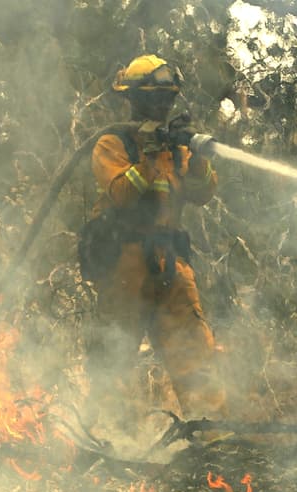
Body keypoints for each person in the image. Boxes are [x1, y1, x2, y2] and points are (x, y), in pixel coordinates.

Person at [79, 53, 227, 430]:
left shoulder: (178, 148)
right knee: (112, 355)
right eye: (154, 97)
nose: (162, 106)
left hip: (170, 262)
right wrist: (146, 157)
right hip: (125, 264)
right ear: (133, 98)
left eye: (168, 98)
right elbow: (122, 194)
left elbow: (203, 192)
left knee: (193, 349)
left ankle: (208, 434)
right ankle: (105, 437)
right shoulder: (112, 143)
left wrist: (198, 159)